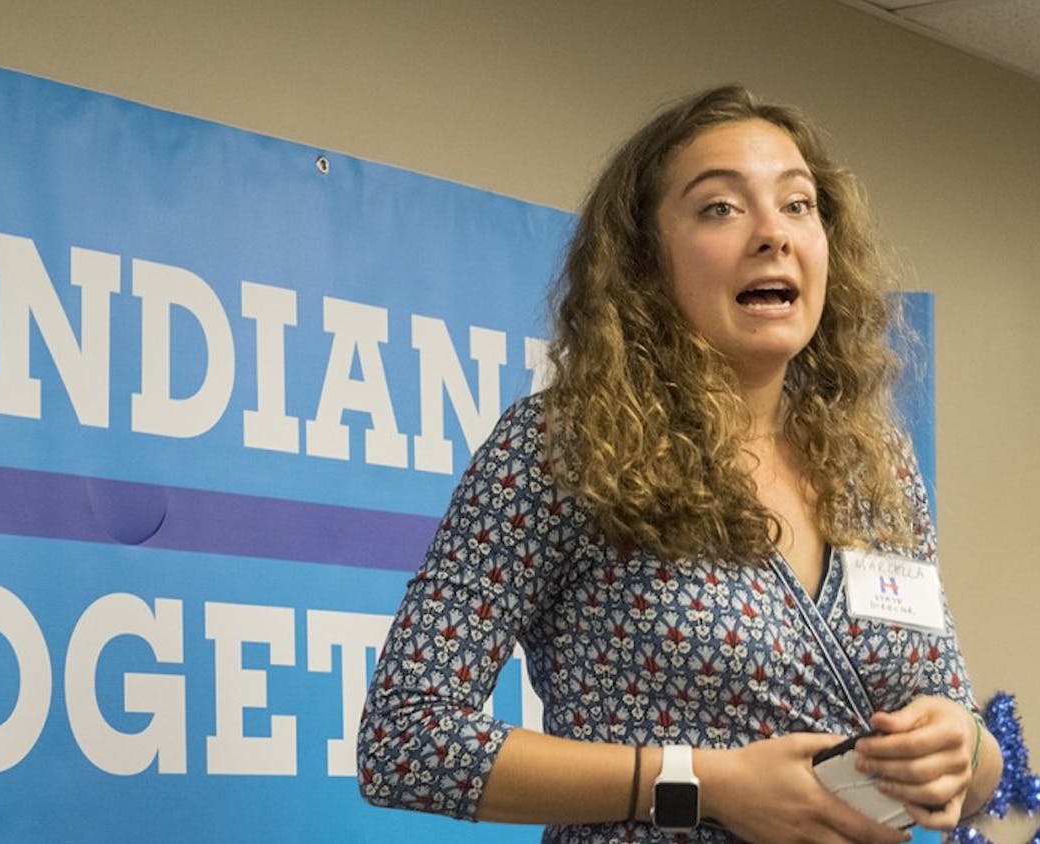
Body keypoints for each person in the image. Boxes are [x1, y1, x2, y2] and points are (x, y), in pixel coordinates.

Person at [357, 84, 1002, 844]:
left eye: (798, 205)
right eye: (721, 208)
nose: (774, 234)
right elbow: (407, 741)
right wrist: (704, 786)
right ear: (644, 262)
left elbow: (965, 745)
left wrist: (960, 747)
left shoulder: (875, 466)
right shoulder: (562, 446)